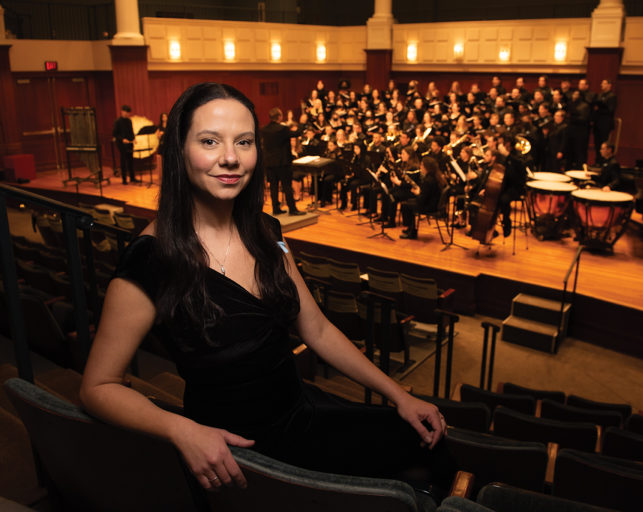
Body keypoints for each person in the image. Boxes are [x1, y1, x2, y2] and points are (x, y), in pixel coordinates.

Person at [80, 82, 447, 493]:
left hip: (301, 415)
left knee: (426, 452)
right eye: (209, 141)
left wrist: (399, 395)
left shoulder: (266, 231)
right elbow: (98, 387)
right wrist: (180, 429)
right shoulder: (150, 258)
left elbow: (317, 329)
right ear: (179, 151)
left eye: (244, 141)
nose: (231, 157)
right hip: (229, 451)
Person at [260, 107, 305, 216]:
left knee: (274, 187)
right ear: (279, 117)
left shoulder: (263, 129)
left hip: (269, 164)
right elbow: (297, 133)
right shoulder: (282, 129)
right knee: (287, 186)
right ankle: (292, 209)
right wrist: (302, 123)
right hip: (283, 163)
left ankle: (276, 209)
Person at [400, 156, 446, 240]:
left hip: (430, 207)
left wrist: (417, 192)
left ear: (426, 167)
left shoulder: (428, 180)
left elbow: (421, 200)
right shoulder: (435, 176)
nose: (420, 167)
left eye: (421, 165)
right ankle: (411, 228)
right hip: (434, 204)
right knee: (408, 201)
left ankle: (412, 232)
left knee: (405, 205)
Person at [112, 105, 137, 185]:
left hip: (129, 143)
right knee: (123, 161)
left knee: (131, 161)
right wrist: (122, 139)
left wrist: (133, 139)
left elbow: (131, 131)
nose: (126, 114)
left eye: (128, 112)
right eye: (125, 112)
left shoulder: (129, 121)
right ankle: (124, 179)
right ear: (122, 111)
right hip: (121, 144)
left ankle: (132, 178)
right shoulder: (117, 121)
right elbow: (115, 134)